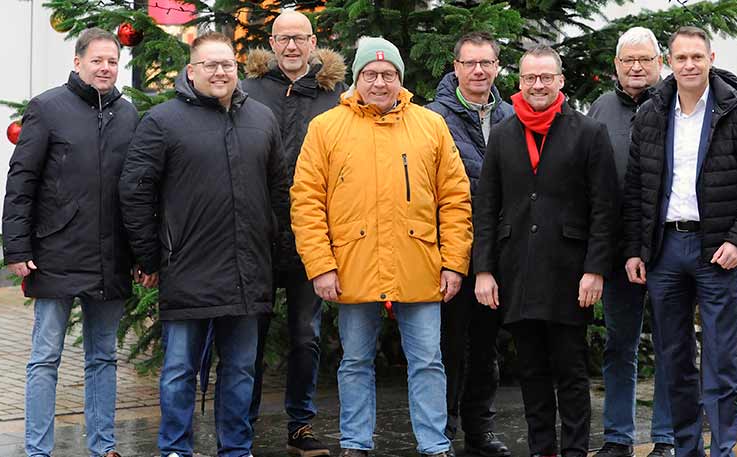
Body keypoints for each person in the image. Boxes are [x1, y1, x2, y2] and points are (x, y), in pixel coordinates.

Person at [290, 36, 473, 457]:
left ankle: (434, 444)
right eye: (370, 74)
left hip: (420, 266)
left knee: (428, 361)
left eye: (388, 74)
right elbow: (306, 202)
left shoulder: (431, 125)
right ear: (356, 79)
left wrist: (454, 263)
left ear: (399, 79)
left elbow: (455, 199)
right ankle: (356, 443)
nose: (379, 82)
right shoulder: (326, 128)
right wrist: (321, 265)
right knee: (355, 361)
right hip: (352, 267)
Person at [119, 32, 288, 457]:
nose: (220, 72)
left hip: (248, 270)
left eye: (227, 64)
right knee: (180, 369)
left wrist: (274, 245)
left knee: (241, 369)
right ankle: (176, 448)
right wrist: (149, 256)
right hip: (187, 269)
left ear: (237, 68)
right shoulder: (163, 121)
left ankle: (236, 449)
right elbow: (135, 191)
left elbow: (280, 191)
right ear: (191, 71)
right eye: (210, 65)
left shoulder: (262, 119)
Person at [622, 26, 737, 457]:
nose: (689, 65)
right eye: (681, 58)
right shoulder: (652, 113)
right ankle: (686, 449)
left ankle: (722, 450)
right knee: (673, 360)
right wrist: (635, 250)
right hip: (665, 252)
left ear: (711, 58)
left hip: (717, 252)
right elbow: (636, 190)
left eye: (696, 57)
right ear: (668, 63)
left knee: (720, 361)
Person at [473, 45, 616, 457]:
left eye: (546, 77)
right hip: (516, 271)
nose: (538, 85)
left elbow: (604, 208)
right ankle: (541, 450)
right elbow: (487, 206)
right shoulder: (503, 134)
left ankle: (574, 451)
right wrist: (484, 270)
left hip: (569, 273)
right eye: (530, 78)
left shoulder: (589, 133)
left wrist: (595, 270)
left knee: (571, 371)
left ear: (560, 81)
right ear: (519, 82)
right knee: (532, 372)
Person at [1, 27, 137, 457]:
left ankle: (103, 446)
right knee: (45, 357)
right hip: (54, 252)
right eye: (97, 60)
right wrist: (17, 247)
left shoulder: (129, 115)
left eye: (112, 61)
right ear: (78, 62)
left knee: (104, 357)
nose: (105, 68)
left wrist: (141, 253)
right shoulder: (47, 108)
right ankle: (37, 450)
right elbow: (21, 180)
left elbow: (138, 191)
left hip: (111, 255)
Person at [241, 11, 346, 456]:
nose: (291, 46)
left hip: (312, 234)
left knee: (306, 334)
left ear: (313, 42)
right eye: (283, 39)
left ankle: (300, 425)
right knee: (250, 337)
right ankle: (240, 426)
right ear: (271, 42)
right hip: (257, 234)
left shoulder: (335, 95)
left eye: (299, 38)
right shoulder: (247, 91)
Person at [587, 27, 674, 457]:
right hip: (620, 250)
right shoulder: (601, 108)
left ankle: (667, 438)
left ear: (660, 62)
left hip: (668, 247)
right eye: (628, 60)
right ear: (616, 66)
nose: (636, 67)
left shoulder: (677, 103)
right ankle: (618, 437)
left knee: (671, 345)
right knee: (620, 345)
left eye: (645, 59)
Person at [426, 31, 513, 457]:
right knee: (446, 346)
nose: (478, 71)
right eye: (469, 63)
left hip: (498, 253)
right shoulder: (432, 119)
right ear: (456, 67)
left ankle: (480, 429)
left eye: (486, 63)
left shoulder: (512, 116)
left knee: (485, 346)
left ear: (497, 67)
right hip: (450, 253)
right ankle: (441, 430)